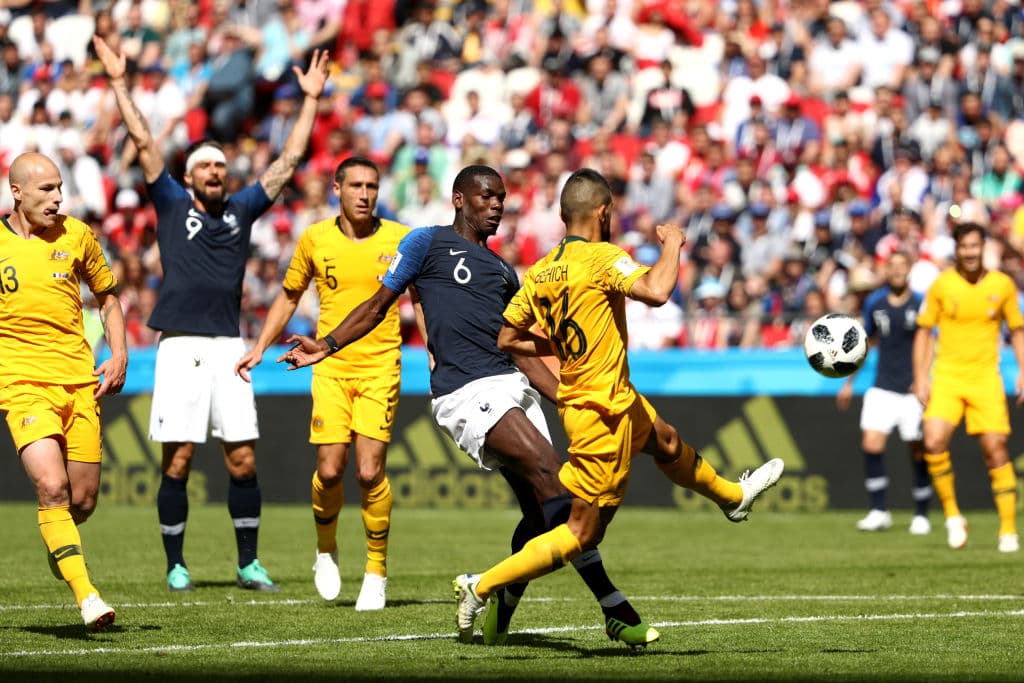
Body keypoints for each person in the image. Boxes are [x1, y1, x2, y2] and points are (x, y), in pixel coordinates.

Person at [280, 165, 658, 647]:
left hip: (511, 388)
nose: (497, 204)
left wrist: (566, 396)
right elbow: (378, 306)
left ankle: (500, 601)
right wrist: (327, 344)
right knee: (556, 481)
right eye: (487, 196)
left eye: (501, 197)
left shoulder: (504, 270)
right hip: (467, 392)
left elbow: (524, 349)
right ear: (459, 199)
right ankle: (613, 606)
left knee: (545, 512)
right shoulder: (426, 243)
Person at [451, 168, 784, 645]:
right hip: (600, 412)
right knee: (582, 533)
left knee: (666, 441)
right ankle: (480, 586)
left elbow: (507, 337)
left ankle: (733, 497)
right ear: (603, 213)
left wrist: (567, 350)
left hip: (611, 400)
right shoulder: (605, 258)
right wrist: (672, 243)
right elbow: (658, 291)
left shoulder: (542, 270)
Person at [93, 35, 330, 591]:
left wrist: (312, 100)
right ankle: (176, 563)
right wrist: (121, 82)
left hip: (228, 346)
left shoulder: (243, 210)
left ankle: (247, 561)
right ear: (191, 174)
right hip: (178, 344)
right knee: (177, 461)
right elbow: (144, 139)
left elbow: (288, 161)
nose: (217, 172)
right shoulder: (173, 203)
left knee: (242, 459)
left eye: (222, 166)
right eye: (207, 166)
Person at [234, 157, 409, 610]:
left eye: (371, 185)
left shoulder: (400, 238)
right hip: (329, 365)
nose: (365, 194)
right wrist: (260, 346)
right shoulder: (315, 238)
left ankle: (376, 570)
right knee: (330, 470)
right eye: (356, 185)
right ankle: (326, 548)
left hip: (381, 366)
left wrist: (433, 349)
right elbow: (290, 294)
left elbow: (421, 299)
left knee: (369, 472)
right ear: (337, 188)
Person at [1, 152, 128, 629]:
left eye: (60, 189)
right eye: (46, 191)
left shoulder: (77, 235)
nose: (58, 199)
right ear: (17, 192)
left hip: (79, 382)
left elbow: (108, 297)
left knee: (82, 501)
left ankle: (61, 543)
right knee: (52, 488)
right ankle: (88, 596)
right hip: (21, 383)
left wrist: (118, 353)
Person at [913, 221, 1024, 553]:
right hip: (947, 375)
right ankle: (952, 515)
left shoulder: (1002, 286)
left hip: (985, 377)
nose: (970, 252)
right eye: (964, 247)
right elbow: (923, 331)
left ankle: (1007, 530)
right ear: (956, 249)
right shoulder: (941, 286)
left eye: (975, 246)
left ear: (983, 247)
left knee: (996, 450)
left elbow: (1017, 330)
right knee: (932, 441)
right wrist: (921, 377)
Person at [837, 251, 932, 534]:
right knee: (871, 445)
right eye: (892, 267)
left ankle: (922, 514)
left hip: (912, 388)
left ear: (910, 269)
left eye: (903, 266)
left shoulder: (921, 304)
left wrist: (925, 379)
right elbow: (863, 343)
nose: (898, 271)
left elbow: (931, 343)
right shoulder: (875, 303)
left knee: (917, 450)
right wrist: (849, 382)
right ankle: (879, 511)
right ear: (886, 271)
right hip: (883, 386)